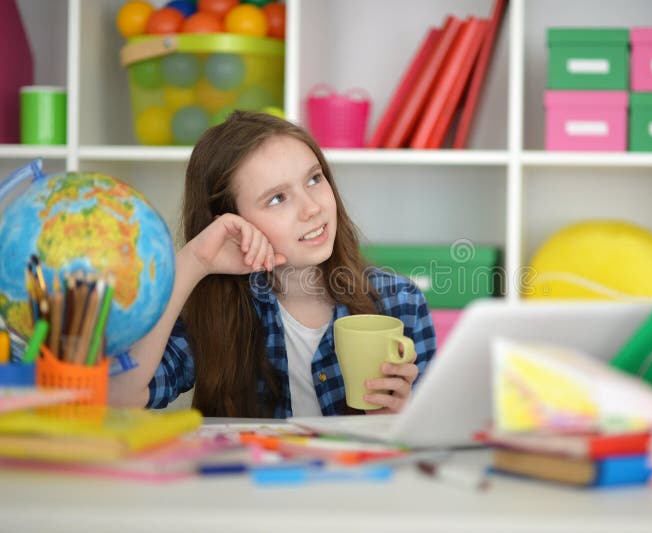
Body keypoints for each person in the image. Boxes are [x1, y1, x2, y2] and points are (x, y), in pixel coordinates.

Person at [109, 111, 436, 418]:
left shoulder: (400, 302)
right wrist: (195, 260)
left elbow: (432, 436)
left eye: (314, 179)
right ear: (229, 221)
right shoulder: (209, 310)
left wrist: (399, 418)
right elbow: (120, 396)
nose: (311, 208)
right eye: (277, 198)